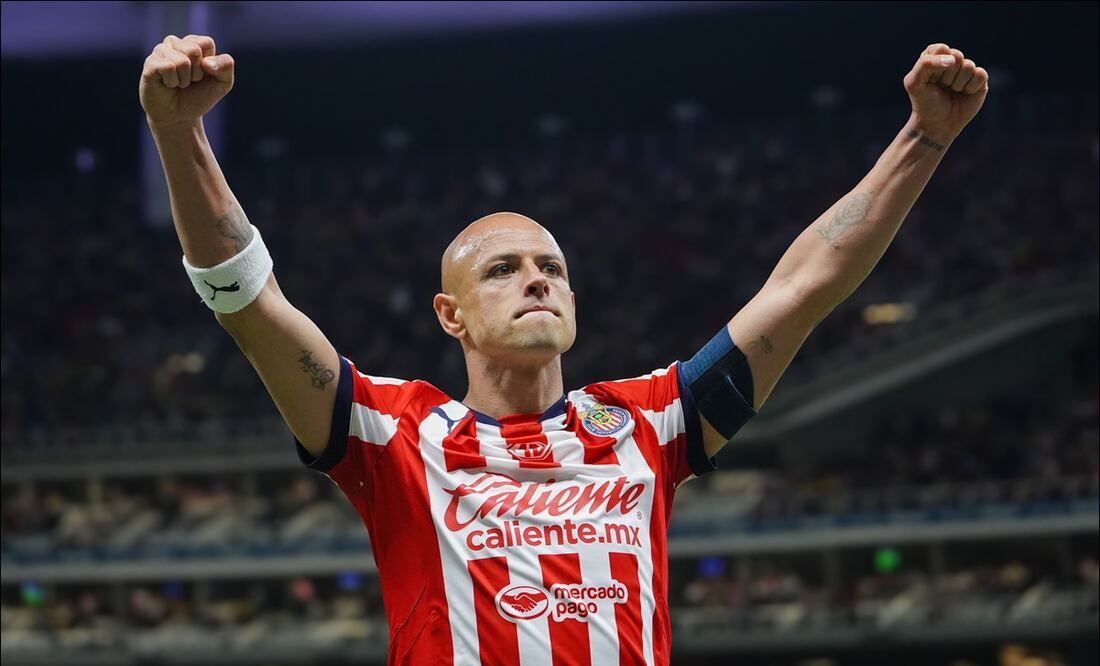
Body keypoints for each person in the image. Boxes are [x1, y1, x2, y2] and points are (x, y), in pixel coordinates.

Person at [139, 34, 988, 665]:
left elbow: (803, 288)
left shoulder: (649, 423)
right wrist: (178, 133)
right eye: (503, 271)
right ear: (450, 315)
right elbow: (249, 304)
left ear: (574, 301)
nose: (536, 281)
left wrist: (925, 137)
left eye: (552, 269)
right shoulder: (392, 436)